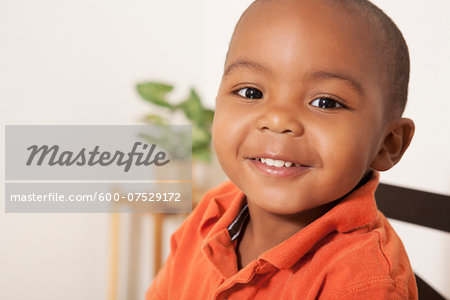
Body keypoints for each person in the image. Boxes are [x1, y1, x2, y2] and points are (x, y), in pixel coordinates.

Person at [146, 0, 418, 298]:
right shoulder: (212, 213)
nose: (278, 119)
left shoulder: (365, 283)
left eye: (325, 102)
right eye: (251, 92)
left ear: (389, 143)